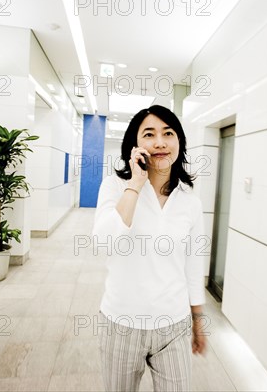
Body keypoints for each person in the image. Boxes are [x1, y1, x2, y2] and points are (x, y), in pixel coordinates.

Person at [92, 104, 208, 391]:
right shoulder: (115, 186)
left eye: (168, 133)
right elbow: (104, 241)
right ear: (134, 144)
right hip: (122, 322)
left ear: (179, 142)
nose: (159, 142)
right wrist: (136, 183)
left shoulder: (190, 201)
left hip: (174, 324)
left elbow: (193, 267)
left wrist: (198, 322)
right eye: (149, 134)